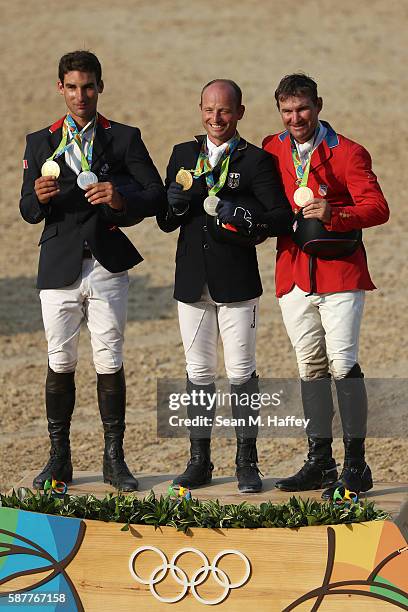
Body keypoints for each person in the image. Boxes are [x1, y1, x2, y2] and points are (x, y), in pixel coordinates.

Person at [20, 50, 165, 492]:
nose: (80, 95)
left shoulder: (122, 138)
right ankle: (59, 459)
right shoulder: (40, 141)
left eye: (88, 86)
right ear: (60, 88)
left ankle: (113, 460)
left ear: (100, 87)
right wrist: (40, 198)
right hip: (59, 263)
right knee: (60, 362)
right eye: (72, 87)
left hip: (105, 263)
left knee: (109, 360)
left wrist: (121, 200)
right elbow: (26, 210)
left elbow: (156, 195)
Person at [157, 79, 292, 493]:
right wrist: (173, 207)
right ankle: (199, 461)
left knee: (240, 372)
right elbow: (165, 221)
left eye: (225, 111)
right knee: (198, 372)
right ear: (200, 108)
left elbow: (280, 217)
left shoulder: (255, 160)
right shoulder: (183, 154)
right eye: (210, 110)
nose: (216, 118)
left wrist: (243, 214)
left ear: (240, 113)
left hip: (236, 280)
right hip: (192, 278)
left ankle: (246, 463)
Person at [262, 73, 389, 497]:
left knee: (343, 364)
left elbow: (378, 207)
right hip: (294, 271)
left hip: (339, 273)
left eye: (302, 109)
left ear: (318, 106)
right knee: (309, 368)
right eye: (287, 111)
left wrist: (335, 212)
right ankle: (320, 463)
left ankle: (357, 465)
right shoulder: (271, 147)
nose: (295, 118)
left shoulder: (349, 152)